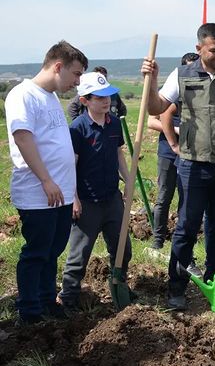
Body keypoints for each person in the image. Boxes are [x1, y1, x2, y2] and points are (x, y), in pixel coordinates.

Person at [141, 23, 215, 310]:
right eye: (214, 50)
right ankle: (176, 288)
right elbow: (156, 108)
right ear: (199, 49)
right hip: (193, 165)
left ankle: (214, 281)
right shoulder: (181, 74)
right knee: (186, 227)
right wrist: (152, 80)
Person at [4, 41, 87, 325]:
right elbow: (23, 138)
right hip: (39, 193)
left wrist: (68, 190)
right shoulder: (23, 95)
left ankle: (46, 300)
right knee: (37, 252)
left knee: (52, 251)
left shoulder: (50, 97)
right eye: (75, 75)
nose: (77, 83)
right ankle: (29, 312)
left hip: (60, 193)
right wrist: (46, 180)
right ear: (58, 66)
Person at [57, 72, 133, 309]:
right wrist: (74, 199)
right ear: (84, 100)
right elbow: (71, 165)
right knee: (79, 255)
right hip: (87, 202)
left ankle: (119, 285)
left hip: (112, 199)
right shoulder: (78, 129)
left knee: (123, 248)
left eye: (108, 96)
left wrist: (128, 180)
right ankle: (68, 297)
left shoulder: (113, 123)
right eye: (99, 97)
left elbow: (119, 153)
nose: (106, 101)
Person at [147, 52, 203, 277]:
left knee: (186, 198)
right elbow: (152, 119)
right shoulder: (172, 95)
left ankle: (184, 241)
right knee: (163, 195)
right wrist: (175, 133)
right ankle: (158, 238)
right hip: (168, 152)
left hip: (191, 154)